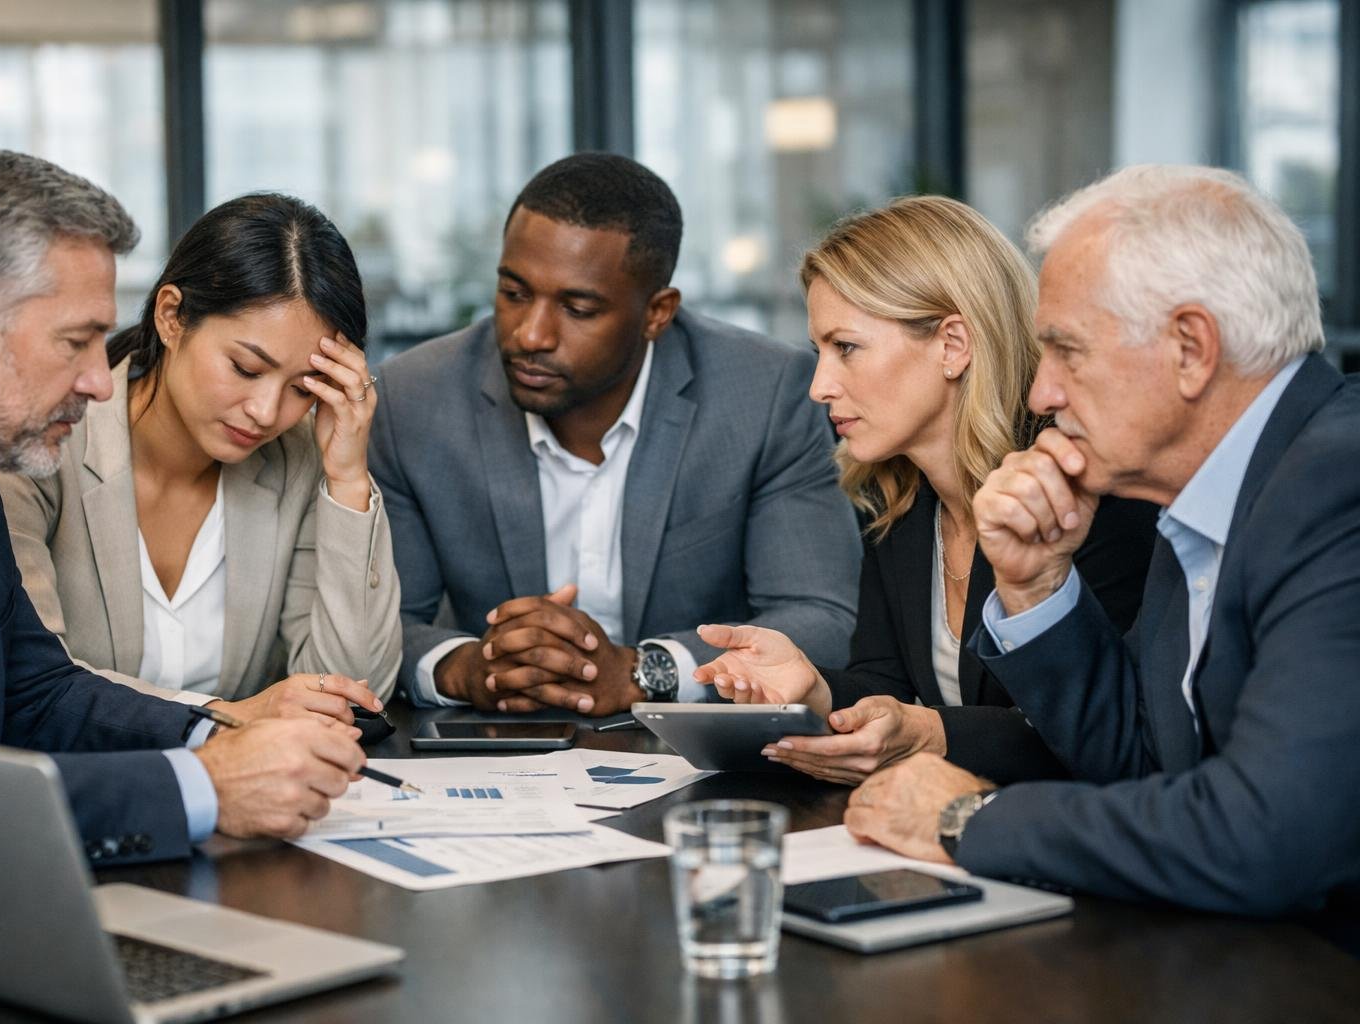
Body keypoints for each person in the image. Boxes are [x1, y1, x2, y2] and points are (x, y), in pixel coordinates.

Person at [839, 165, 1360, 932]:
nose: (1041, 393)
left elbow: (1271, 835)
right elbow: (1142, 761)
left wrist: (969, 818)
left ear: (1190, 348)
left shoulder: (1337, 488)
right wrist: (1037, 587)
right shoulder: (1204, 494)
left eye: (1067, 351)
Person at [0, 149, 366, 866]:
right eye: (77, 342)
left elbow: (35, 694)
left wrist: (218, 736)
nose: (100, 380)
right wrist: (205, 787)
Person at [368, 153, 861, 716]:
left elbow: (820, 616)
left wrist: (642, 673)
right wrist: (465, 667)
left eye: (577, 308)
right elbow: (380, 624)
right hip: (497, 743)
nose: (531, 335)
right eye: (514, 294)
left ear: (657, 313)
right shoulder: (414, 399)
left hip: (695, 749)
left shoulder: (764, 395)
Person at [694, 196, 1158, 784]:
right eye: (819, 352)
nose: (819, 386)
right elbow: (884, 688)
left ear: (953, 345)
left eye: (846, 348)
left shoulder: (1080, 490)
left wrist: (934, 734)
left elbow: (1108, 737)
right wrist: (813, 689)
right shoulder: (898, 499)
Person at [0, 193, 402, 722]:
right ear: (171, 317)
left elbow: (354, 697)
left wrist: (347, 479)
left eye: (303, 388)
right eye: (246, 368)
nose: (265, 412)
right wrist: (222, 718)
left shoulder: (301, 459)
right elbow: (28, 683)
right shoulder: (45, 444)